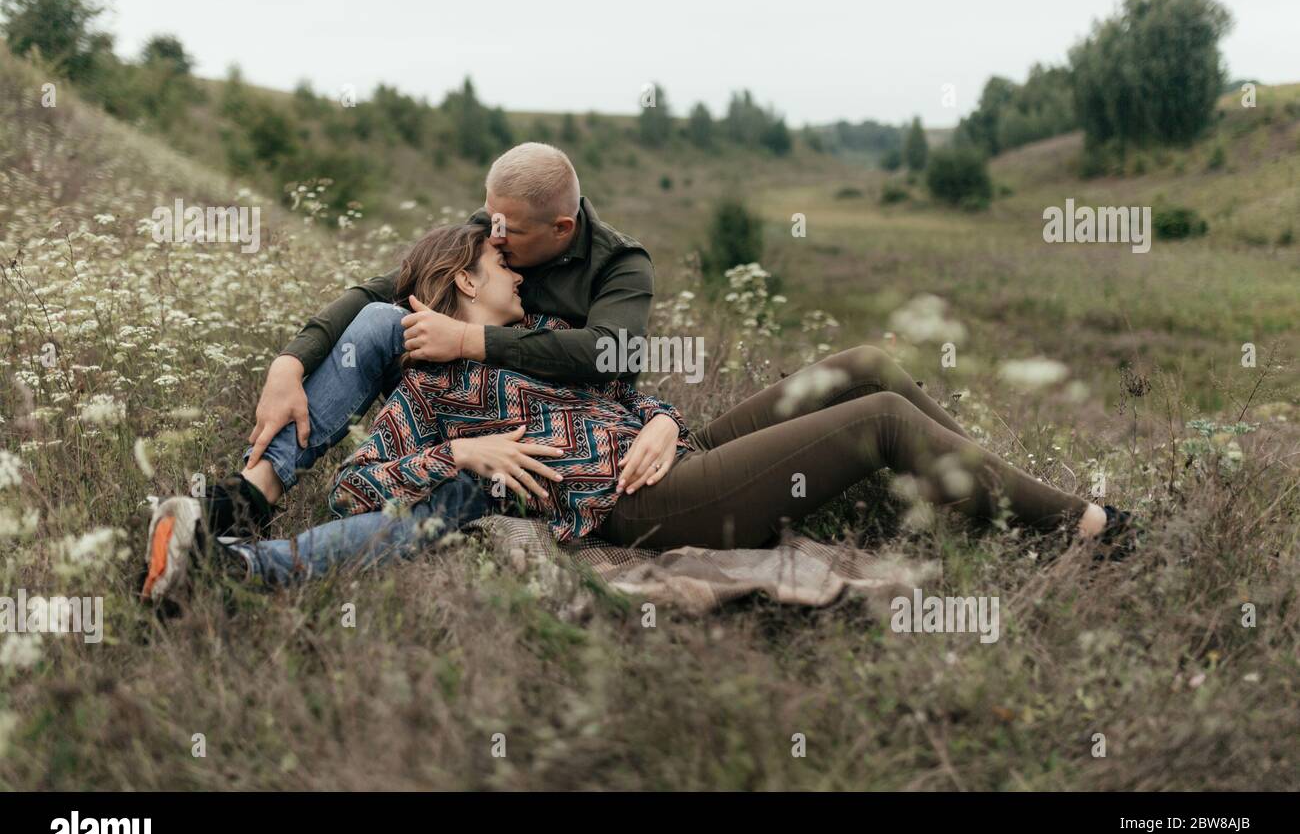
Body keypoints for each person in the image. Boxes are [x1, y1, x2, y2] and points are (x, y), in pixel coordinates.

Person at [141, 223, 1128, 602]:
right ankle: (1083, 525)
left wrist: (657, 417)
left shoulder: (524, 334)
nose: (518, 274)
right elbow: (363, 484)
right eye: (500, 265)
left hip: (665, 449)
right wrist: (468, 452)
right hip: (639, 504)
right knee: (877, 421)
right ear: (457, 281)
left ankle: (993, 494)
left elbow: (618, 385)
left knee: (865, 363)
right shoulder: (429, 383)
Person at [146, 142, 659, 565]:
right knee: (382, 320)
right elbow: (389, 288)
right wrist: (290, 361)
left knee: (456, 495)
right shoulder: (498, 223)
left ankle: (240, 566)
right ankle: (251, 495)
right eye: (491, 222)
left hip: (549, 424)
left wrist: (466, 340)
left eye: (509, 236)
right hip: (453, 400)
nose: (493, 235)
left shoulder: (618, 264)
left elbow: (607, 354)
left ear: (561, 230)